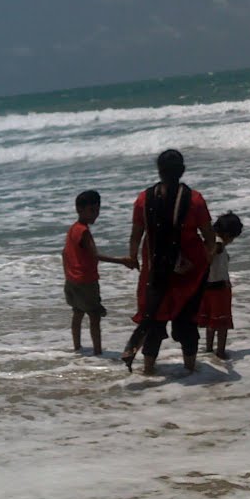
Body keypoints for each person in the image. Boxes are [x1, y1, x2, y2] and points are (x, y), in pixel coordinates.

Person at [122, 150, 216, 375]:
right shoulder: (194, 199)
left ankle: (147, 370)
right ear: (182, 171)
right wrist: (208, 260)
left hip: (155, 270)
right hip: (189, 274)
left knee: (153, 319)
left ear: (159, 171)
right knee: (187, 322)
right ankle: (191, 370)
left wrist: (133, 257)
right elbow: (209, 237)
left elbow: (136, 235)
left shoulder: (144, 199)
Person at [63, 190, 137, 355]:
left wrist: (68, 274)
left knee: (77, 313)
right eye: (92, 210)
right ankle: (97, 352)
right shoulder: (83, 231)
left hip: (72, 280)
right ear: (80, 210)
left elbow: (64, 253)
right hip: (86, 281)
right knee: (94, 316)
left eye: (97, 210)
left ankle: (77, 347)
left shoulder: (73, 229)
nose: (96, 214)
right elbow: (95, 255)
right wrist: (123, 261)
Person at [198, 211, 243, 360]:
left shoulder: (209, 241)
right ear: (228, 234)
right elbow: (212, 255)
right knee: (222, 322)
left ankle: (209, 348)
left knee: (211, 321)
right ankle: (221, 352)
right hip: (220, 288)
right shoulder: (218, 244)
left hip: (206, 287)